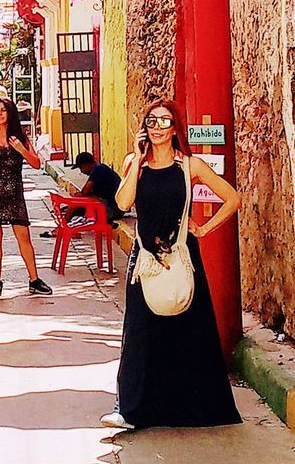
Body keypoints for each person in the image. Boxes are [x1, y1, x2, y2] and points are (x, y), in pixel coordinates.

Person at [100, 99, 242, 432]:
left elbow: (232, 198)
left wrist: (204, 229)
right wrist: (136, 160)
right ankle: (129, 410)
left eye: (165, 121)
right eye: (152, 121)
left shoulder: (189, 166)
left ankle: (195, 408)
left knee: (190, 332)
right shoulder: (135, 162)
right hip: (145, 258)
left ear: (175, 127)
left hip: (181, 255)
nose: (158, 127)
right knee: (139, 333)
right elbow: (121, 203)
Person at [0, 96, 53, 299]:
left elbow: (36, 163)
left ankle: (34, 279)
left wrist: (21, 149)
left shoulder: (19, 137)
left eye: (2, 111)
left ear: (10, 114)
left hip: (14, 194)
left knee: (23, 237)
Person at [72, 151, 125, 225]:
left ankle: (63, 225)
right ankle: (68, 224)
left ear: (87, 164)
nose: (81, 171)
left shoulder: (99, 169)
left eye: (81, 168)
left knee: (77, 201)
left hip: (113, 210)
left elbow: (85, 192)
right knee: (77, 204)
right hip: (114, 208)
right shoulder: (98, 170)